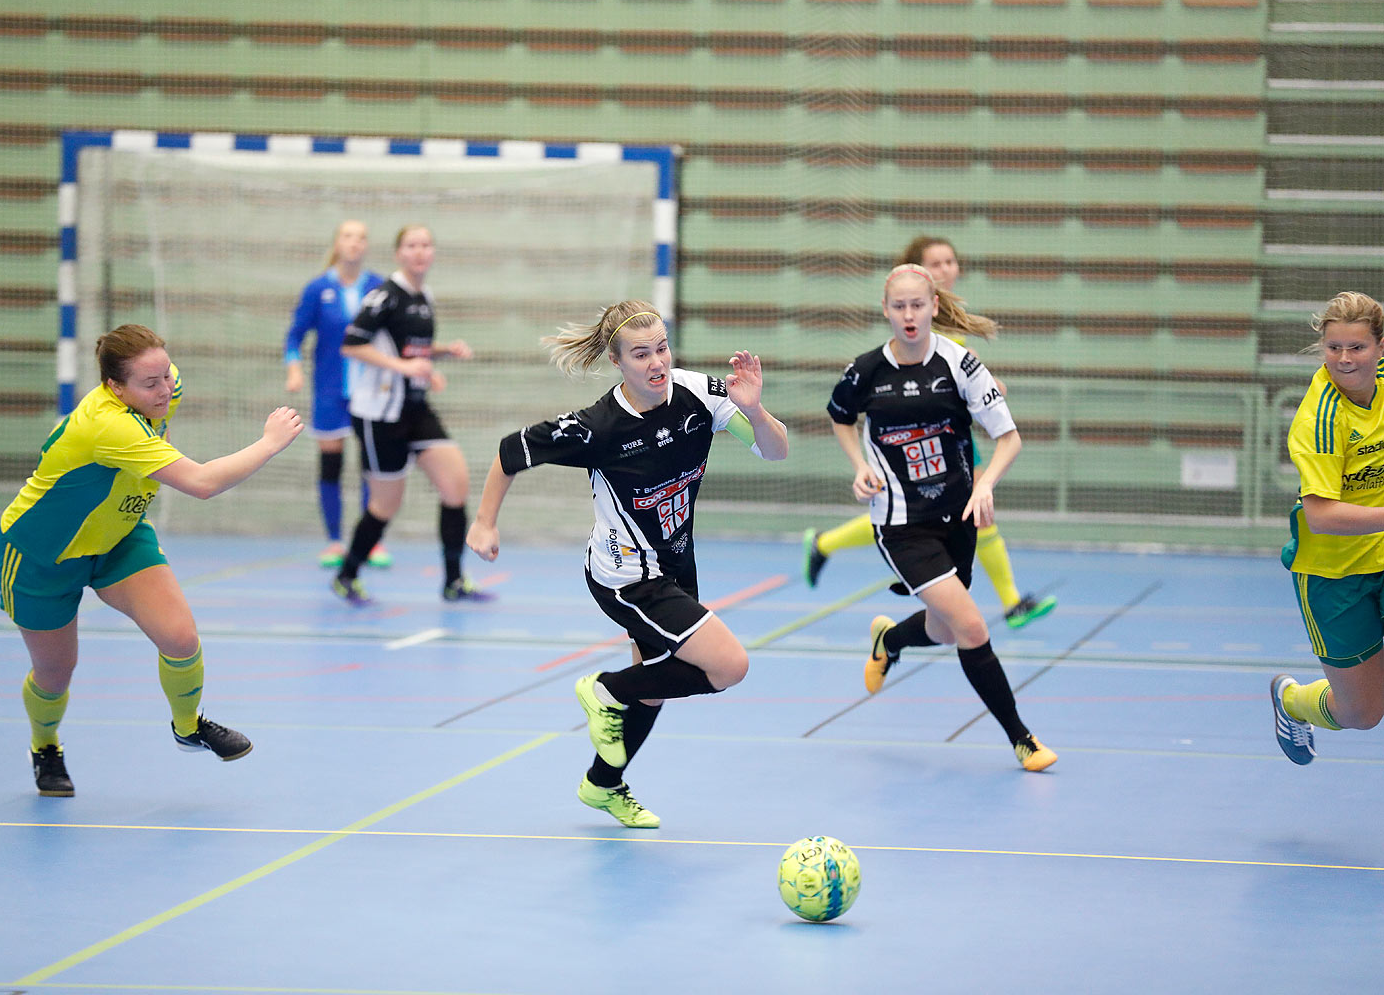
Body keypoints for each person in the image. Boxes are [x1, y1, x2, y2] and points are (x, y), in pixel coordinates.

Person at [467, 300, 788, 826]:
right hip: (627, 579)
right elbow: (511, 450)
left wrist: (754, 410)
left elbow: (776, 452)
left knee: (656, 686)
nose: (657, 362)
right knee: (729, 666)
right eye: (641, 354)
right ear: (617, 362)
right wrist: (484, 522)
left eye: (661, 347)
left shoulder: (699, 394)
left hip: (676, 566)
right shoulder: (598, 426)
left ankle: (603, 784)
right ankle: (603, 690)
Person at [0, 323, 304, 796]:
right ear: (114, 387)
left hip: (119, 533)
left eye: (165, 375)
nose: (165, 390)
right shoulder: (108, 425)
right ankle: (45, 746)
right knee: (56, 672)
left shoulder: (163, 383)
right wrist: (268, 443)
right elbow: (201, 483)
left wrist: (162, 379)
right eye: (150, 383)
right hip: (45, 553)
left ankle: (188, 725)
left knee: (179, 637)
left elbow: (167, 384)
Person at [827, 263, 1056, 772]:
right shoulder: (866, 371)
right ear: (886, 311)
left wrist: (985, 484)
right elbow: (841, 417)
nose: (909, 315)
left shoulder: (961, 364)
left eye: (917, 305)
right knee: (972, 627)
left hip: (958, 518)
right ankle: (1022, 739)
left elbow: (1008, 437)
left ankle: (890, 639)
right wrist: (860, 465)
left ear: (934, 306)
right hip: (901, 522)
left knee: (947, 630)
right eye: (899, 306)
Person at [802, 235, 1055, 630]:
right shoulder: (918, 325)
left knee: (974, 512)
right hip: (921, 437)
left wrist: (988, 391)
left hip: (951, 437)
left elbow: (962, 380)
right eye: (936, 264)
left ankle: (1007, 602)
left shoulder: (946, 323)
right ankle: (1006, 602)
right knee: (905, 512)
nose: (946, 270)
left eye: (951, 262)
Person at [330, 223, 493, 605]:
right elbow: (352, 346)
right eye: (411, 245)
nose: (419, 251)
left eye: (425, 245)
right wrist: (404, 369)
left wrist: (439, 356)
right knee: (385, 505)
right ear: (399, 253)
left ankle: (453, 581)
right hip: (379, 414)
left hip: (416, 408)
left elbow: (408, 348)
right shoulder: (384, 295)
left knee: (455, 483)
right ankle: (347, 573)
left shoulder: (424, 294)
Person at [1272, 291, 1384, 765]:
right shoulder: (1320, 419)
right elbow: (1321, 515)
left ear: (1380, 348)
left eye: (1356, 347)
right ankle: (1291, 700)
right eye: (1334, 347)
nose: (1343, 358)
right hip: (1334, 578)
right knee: (1362, 714)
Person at [283, 219, 392, 569]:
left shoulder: (379, 287)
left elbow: (394, 335)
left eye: (362, 237)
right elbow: (294, 335)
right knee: (331, 464)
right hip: (330, 390)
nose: (355, 243)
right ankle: (333, 540)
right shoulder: (318, 289)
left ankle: (369, 541)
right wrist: (294, 367)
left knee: (370, 465)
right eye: (348, 236)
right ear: (337, 243)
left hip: (371, 390)